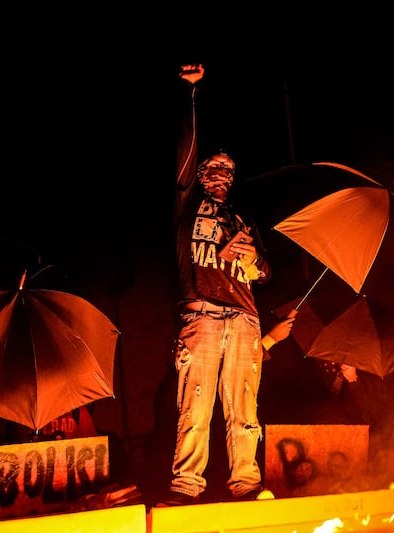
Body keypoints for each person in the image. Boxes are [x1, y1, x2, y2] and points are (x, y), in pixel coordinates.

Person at [157, 63, 273, 506]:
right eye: (215, 167)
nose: (223, 174)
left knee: (245, 408)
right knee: (196, 405)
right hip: (201, 313)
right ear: (204, 173)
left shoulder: (243, 219)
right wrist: (190, 98)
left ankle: (246, 483)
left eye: (229, 169)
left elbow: (266, 273)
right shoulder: (189, 208)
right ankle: (187, 487)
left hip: (245, 317)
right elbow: (184, 160)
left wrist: (254, 259)